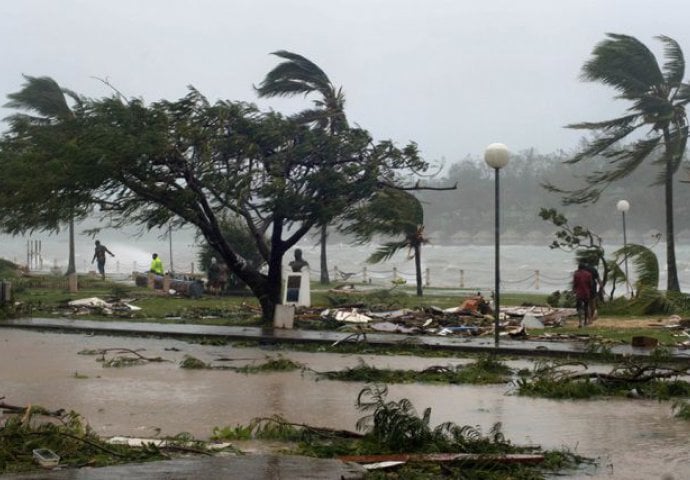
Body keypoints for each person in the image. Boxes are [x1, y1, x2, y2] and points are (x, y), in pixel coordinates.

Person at [573, 263, 593, 328]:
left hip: (579, 293)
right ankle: (585, 322)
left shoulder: (576, 274)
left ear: (578, 267)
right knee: (586, 307)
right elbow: (590, 284)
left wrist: (574, 291)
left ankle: (580, 322)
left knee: (579, 308)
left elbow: (574, 284)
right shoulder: (588, 274)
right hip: (586, 293)